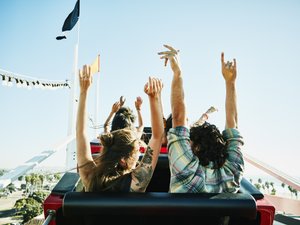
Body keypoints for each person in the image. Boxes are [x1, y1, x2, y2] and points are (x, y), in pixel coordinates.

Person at [158, 45, 244, 193]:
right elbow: (233, 125)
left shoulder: (186, 172)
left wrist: (177, 71)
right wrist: (230, 82)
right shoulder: (232, 172)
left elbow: (178, 116)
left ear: (197, 147)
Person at [76, 64, 164, 192]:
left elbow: (80, 132)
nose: (139, 154)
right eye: (137, 152)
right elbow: (157, 137)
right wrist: (154, 98)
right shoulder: (135, 183)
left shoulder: (89, 176)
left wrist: (84, 91)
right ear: (123, 160)